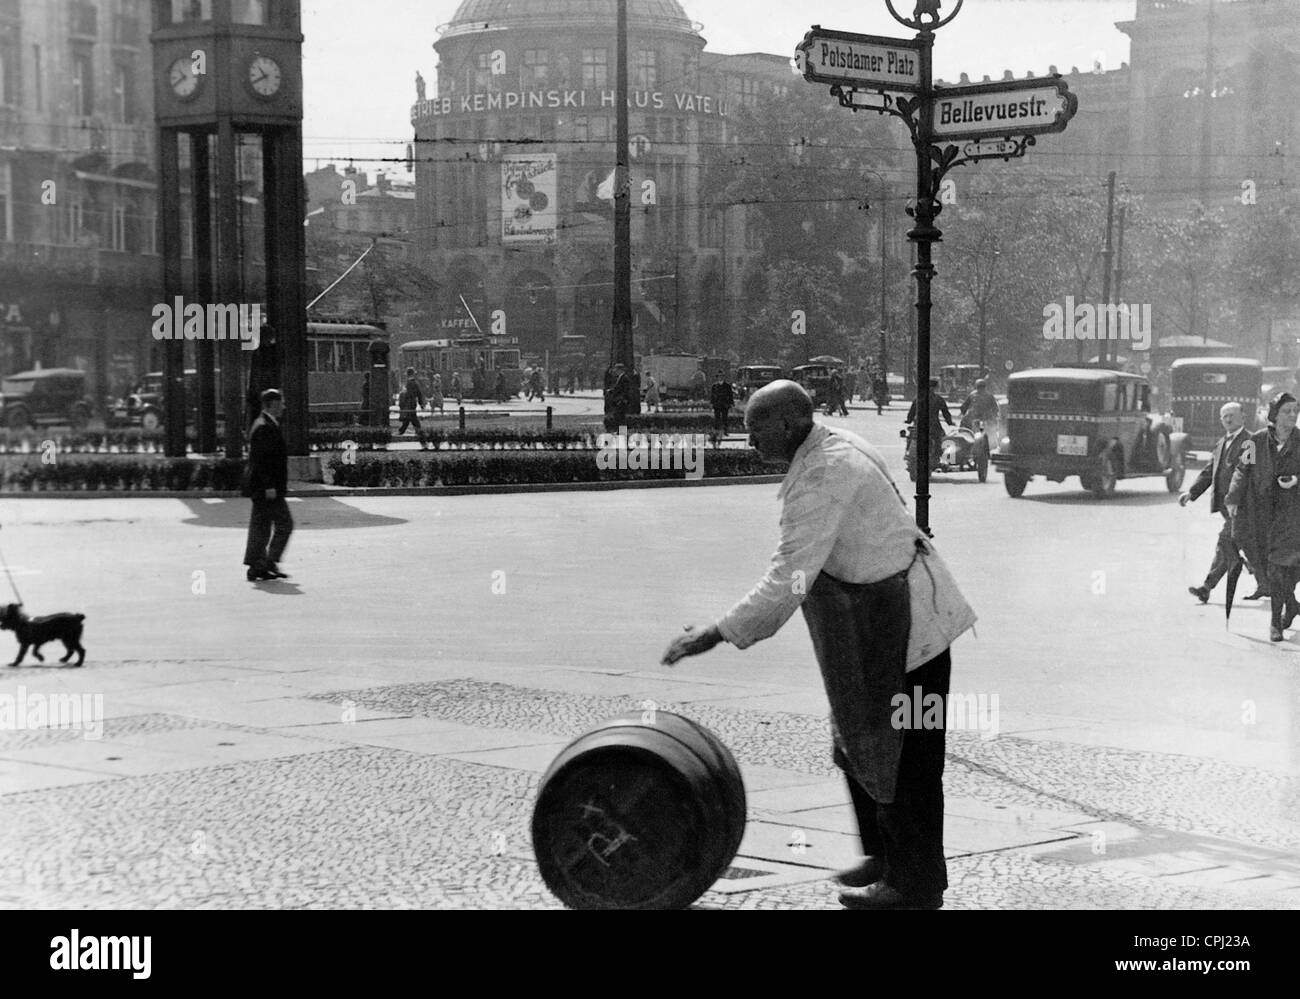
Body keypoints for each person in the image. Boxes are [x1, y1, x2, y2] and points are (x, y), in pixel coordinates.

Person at [662, 381, 975, 910]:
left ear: (786, 425)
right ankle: (882, 853)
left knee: (910, 762)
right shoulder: (831, 446)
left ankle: (916, 885)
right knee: (856, 743)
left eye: (753, 428)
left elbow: (789, 576)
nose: (748, 440)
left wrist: (715, 633)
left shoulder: (824, 474)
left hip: (914, 634)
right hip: (880, 630)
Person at [1227, 392, 1300, 641]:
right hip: (1261, 514)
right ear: (1274, 414)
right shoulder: (1255, 441)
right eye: (1287, 411)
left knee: (1280, 567)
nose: (1293, 415)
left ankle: (1275, 624)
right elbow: (1241, 470)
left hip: (1292, 515)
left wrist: (1296, 481)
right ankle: (1291, 605)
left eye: (1295, 410)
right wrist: (1233, 498)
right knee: (1271, 569)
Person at [1183, 402, 1260, 604]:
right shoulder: (1220, 444)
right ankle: (1263, 579)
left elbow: (1249, 474)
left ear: (1243, 416)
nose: (1228, 419)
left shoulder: (1250, 442)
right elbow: (1209, 472)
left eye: (1232, 415)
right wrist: (1191, 493)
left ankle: (1207, 587)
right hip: (1227, 507)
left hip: (1243, 506)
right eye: (1224, 416)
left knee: (1226, 542)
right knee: (1240, 545)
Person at [243, 389, 294, 582]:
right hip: (267, 488)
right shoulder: (264, 426)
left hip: (263, 487)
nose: (284, 406)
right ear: (272, 404)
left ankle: (257, 566)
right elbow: (262, 461)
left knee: (261, 527)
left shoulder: (264, 423)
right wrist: (269, 486)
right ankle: (267, 562)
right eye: (281, 403)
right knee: (284, 524)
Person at [906, 377, 954, 471]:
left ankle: (908, 453)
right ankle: (940, 458)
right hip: (933, 426)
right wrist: (949, 422)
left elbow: (912, 412)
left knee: (911, 437)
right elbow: (945, 413)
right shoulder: (938, 399)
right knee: (942, 439)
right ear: (935, 388)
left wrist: (908, 420)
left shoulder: (918, 397)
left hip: (919, 425)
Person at [396, 367, 425, 436]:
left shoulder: (410, 383)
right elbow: (419, 393)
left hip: (409, 402)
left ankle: (404, 430)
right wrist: (421, 403)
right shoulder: (413, 383)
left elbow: (416, 393)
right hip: (411, 402)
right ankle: (418, 430)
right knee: (410, 417)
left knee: (411, 417)